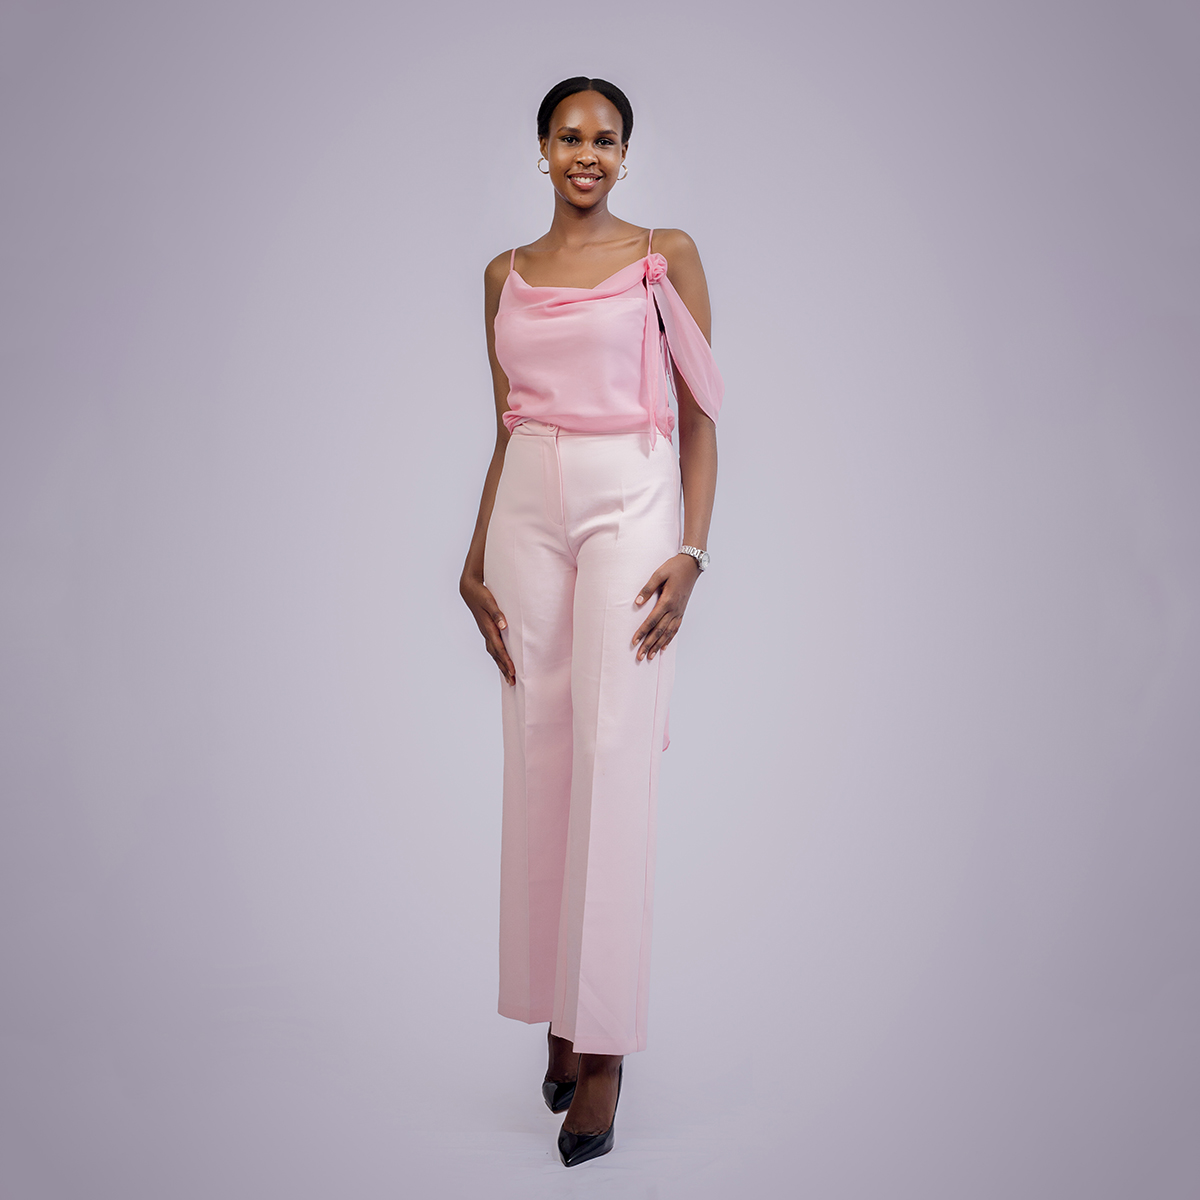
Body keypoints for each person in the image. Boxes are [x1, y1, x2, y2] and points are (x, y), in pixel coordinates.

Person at [458, 76, 722, 1167]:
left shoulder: (665, 255)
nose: (586, 153)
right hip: (527, 505)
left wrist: (692, 552)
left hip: (630, 495)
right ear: (540, 147)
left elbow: (702, 415)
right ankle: (561, 1012)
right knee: (541, 754)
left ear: (624, 154)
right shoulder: (503, 275)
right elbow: (506, 424)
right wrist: (472, 552)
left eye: (604, 138)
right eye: (568, 135)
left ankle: (602, 1048)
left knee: (614, 755)